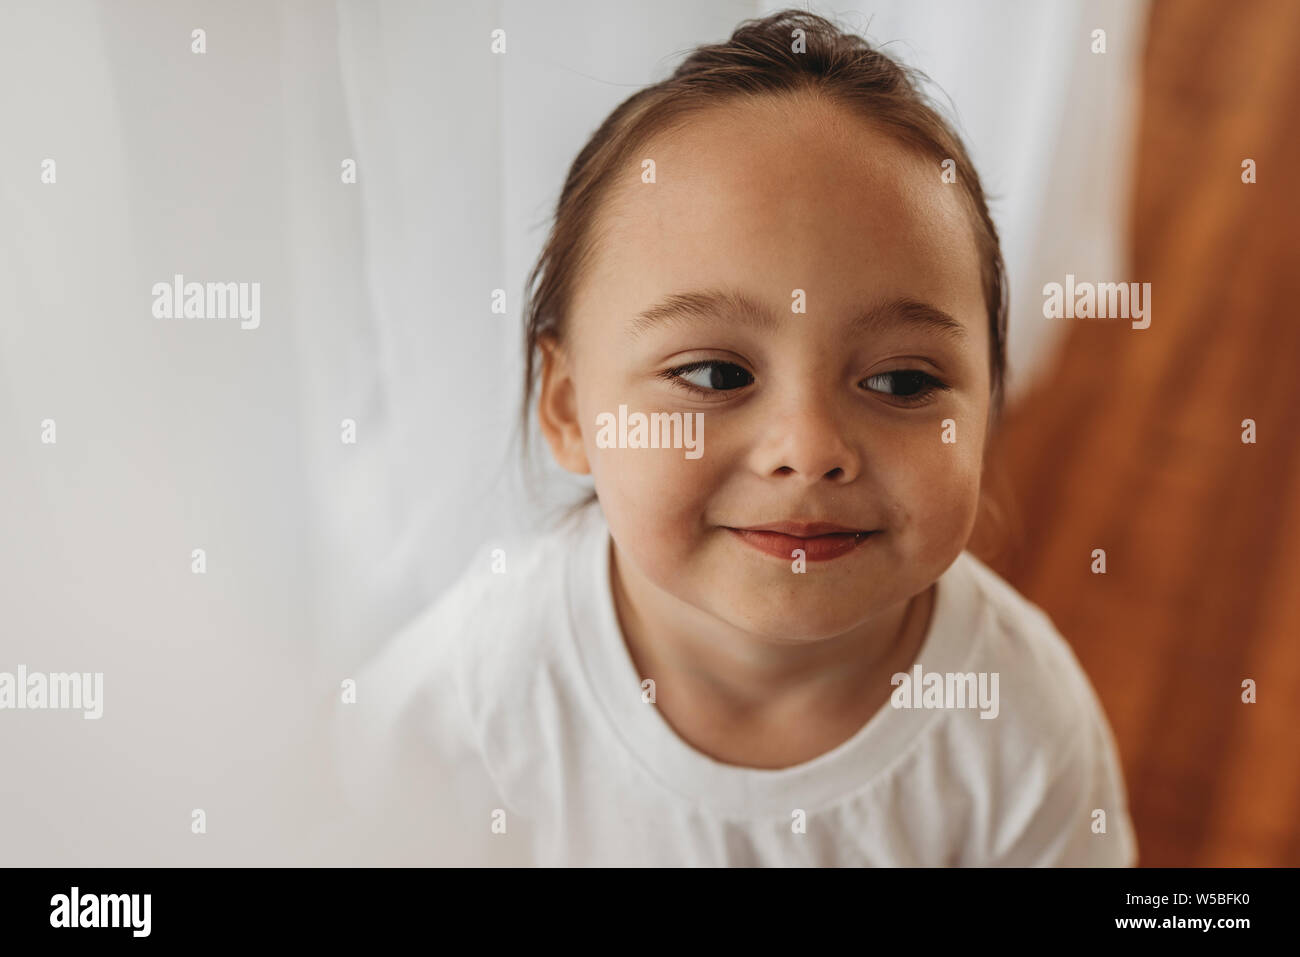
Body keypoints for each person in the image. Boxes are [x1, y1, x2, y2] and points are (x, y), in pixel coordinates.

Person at [336, 8, 1138, 867]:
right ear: (570, 409)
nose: (808, 446)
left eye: (903, 381)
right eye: (717, 375)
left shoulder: (1021, 724)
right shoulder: (472, 699)